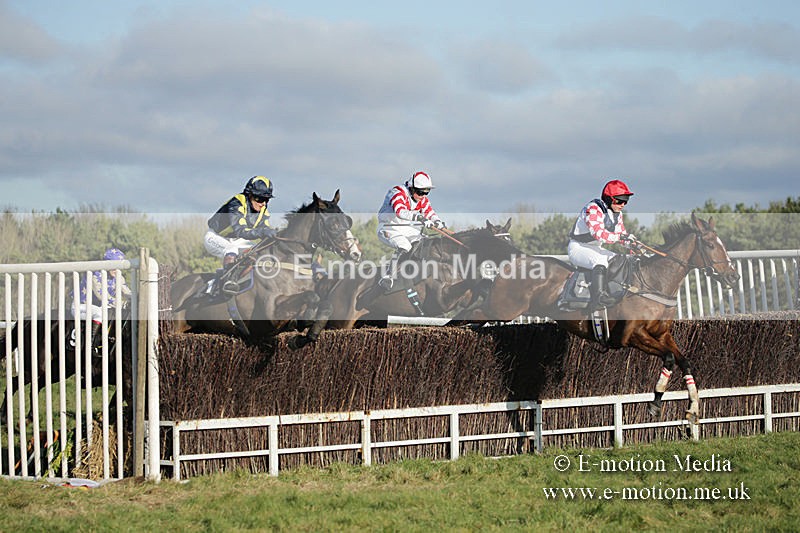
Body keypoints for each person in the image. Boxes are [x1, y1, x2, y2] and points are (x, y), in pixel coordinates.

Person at [567, 179, 638, 308]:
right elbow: (598, 234)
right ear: (609, 199)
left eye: (625, 201)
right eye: (619, 201)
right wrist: (621, 237)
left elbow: (620, 234)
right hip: (578, 248)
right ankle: (598, 297)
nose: (623, 204)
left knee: (620, 260)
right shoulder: (593, 208)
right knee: (600, 261)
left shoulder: (617, 214)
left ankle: (616, 291)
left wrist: (631, 243)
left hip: (595, 248)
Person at [205, 176, 278, 295]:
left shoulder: (263, 209)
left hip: (238, 240)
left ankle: (240, 279)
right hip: (215, 238)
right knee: (231, 249)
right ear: (250, 195)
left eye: (266, 199)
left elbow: (265, 229)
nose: (263, 203)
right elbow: (241, 231)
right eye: (260, 199)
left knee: (256, 251)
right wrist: (264, 232)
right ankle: (226, 281)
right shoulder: (236, 203)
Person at [376, 171, 446, 289]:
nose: (423, 195)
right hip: (389, 227)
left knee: (427, 242)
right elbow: (400, 211)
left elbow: (429, 212)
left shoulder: (422, 199)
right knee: (405, 246)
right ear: (412, 188)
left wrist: (437, 222)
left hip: (406, 228)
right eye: (420, 192)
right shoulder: (397, 192)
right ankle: (388, 276)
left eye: (427, 192)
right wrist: (419, 217)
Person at [71, 247, 132, 350]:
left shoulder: (119, 277)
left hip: (97, 307)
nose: (116, 270)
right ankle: (89, 343)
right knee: (99, 313)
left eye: (119, 267)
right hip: (80, 306)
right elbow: (102, 296)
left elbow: (127, 292)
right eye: (113, 266)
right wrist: (123, 304)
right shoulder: (95, 274)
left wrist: (138, 299)